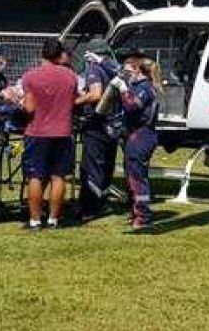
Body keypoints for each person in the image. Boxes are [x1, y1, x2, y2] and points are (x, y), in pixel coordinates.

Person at [20, 38, 79, 231]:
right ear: (59, 54)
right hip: (63, 131)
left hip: (37, 132)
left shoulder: (31, 76)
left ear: (42, 54)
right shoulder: (71, 76)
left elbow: (29, 107)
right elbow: (72, 101)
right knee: (58, 176)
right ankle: (54, 219)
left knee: (35, 177)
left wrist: (16, 101)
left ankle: (35, 220)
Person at [111, 51, 162, 231]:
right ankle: (136, 212)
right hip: (136, 135)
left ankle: (143, 216)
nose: (125, 76)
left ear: (138, 70)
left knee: (137, 178)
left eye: (128, 72)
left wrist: (123, 89)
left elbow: (133, 106)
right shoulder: (140, 84)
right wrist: (101, 61)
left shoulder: (145, 88)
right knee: (131, 175)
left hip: (141, 135)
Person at [74, 38, 120, 222]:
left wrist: (75, 101)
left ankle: (89, 207)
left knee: (91, 166)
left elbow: (95, 94)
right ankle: (102, 202)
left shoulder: (94, 69)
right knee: (107, 166)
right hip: (112, 125)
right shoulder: (113, 70)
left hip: (97, 125)